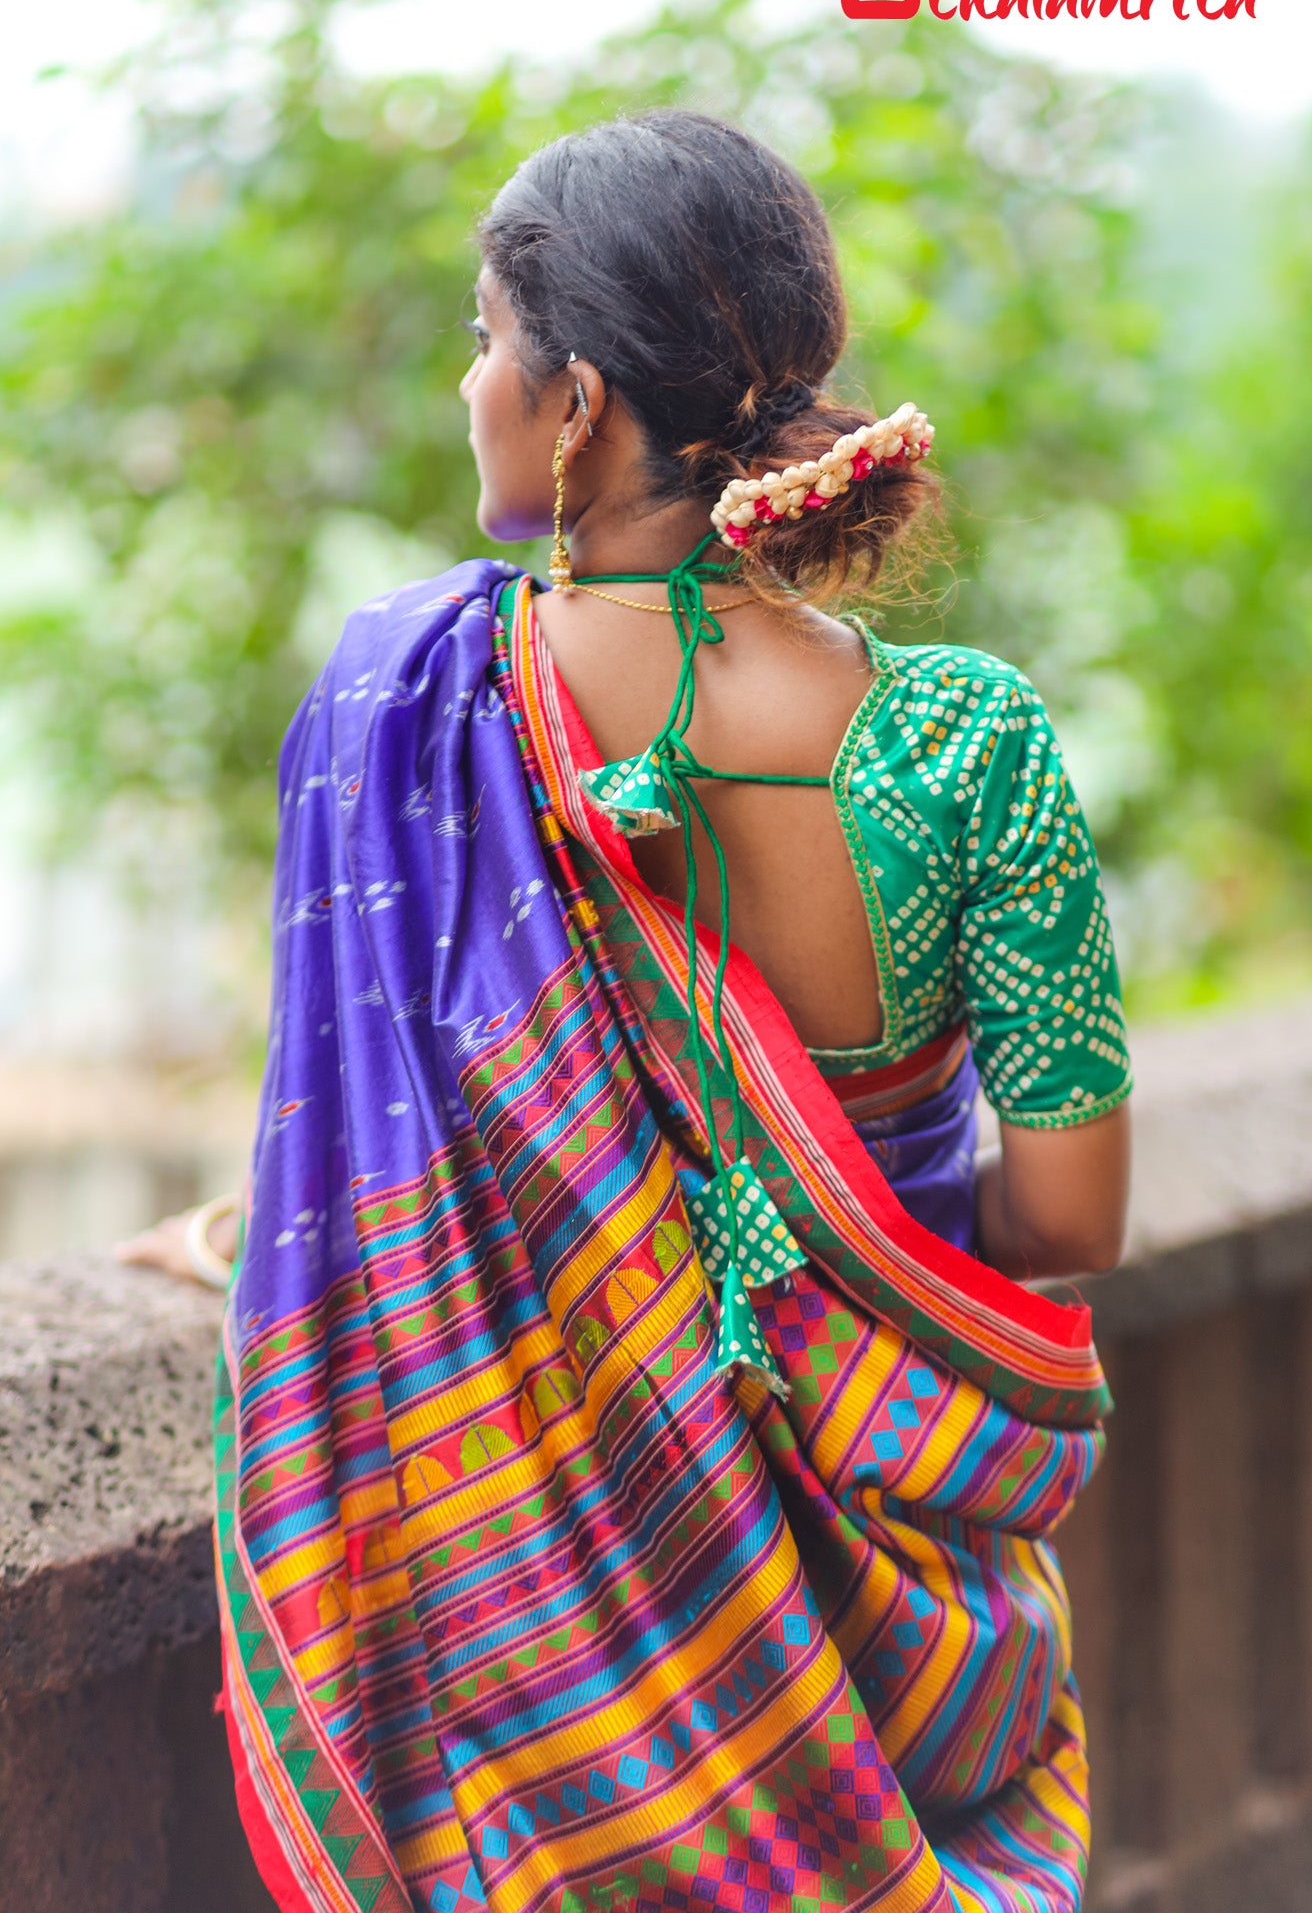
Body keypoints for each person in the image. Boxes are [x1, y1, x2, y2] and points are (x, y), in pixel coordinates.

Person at [122, 108, 1130, 1913]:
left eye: (483, 341)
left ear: (576, 398)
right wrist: (820, 1243)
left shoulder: (408, 708)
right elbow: (1067, 1217)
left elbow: (383, 1200)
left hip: (556, 1719)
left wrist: (551, 1243)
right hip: (893, 1662)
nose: (465, 388)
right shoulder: (967, 738)